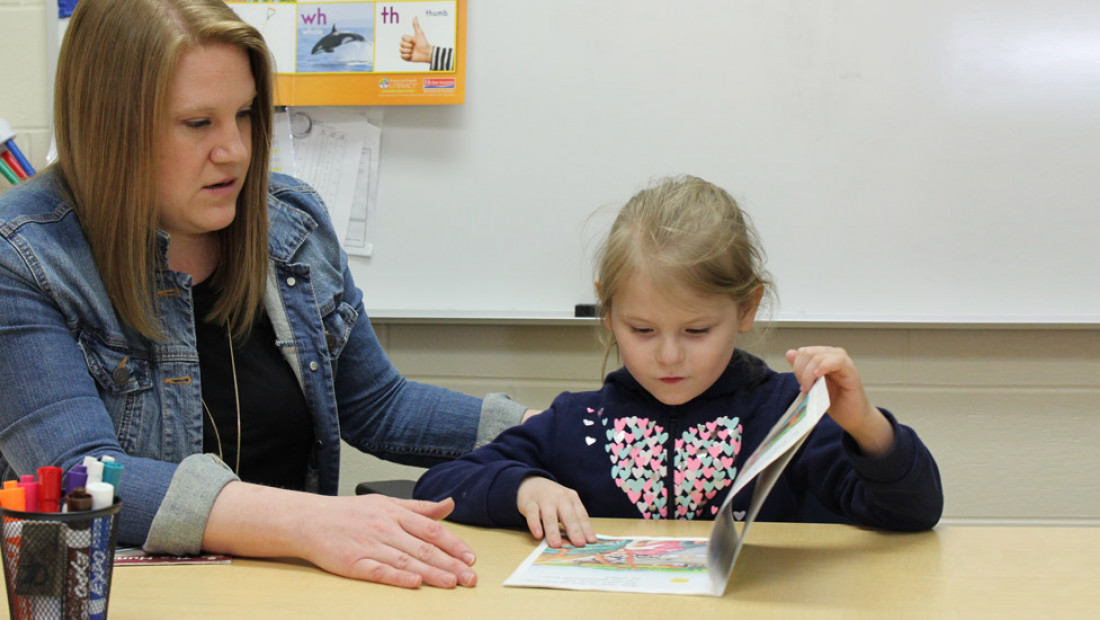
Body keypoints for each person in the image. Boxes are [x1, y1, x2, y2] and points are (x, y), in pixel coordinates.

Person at [0, 0, 536, 590]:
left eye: (246, 114)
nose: (235, 150)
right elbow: (82, 473)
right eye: (198, 123)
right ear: (110, 128)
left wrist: (550, 428)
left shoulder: (290, 220)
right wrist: (312, 523)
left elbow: (380, 406)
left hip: (287, 595)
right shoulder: (23, 256)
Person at [414, 175, 944, 548]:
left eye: (696, 330)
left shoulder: (789, 413)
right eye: (641, 330)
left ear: (746, 307)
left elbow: (914, 513)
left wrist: (866, 427)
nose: (668, 355)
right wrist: (525, 487)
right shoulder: (579, 421)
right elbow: (440, 486)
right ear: (608, 312)